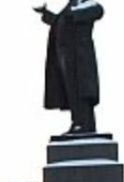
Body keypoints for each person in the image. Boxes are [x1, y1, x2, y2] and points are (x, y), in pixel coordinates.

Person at [34, 1, 104, 135]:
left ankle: (85, 124)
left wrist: (74, 13)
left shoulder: (86, 4)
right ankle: (77, 122)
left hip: (80, 59)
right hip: (66, 58)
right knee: (71, 93)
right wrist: (45, 13)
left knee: (81, 93)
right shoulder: (70, 6)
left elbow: (98, 10)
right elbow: (59, 21)